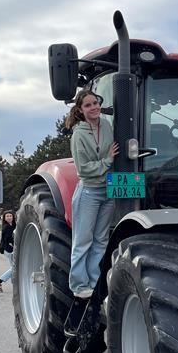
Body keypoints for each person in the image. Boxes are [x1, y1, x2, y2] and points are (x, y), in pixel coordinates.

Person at [66, 89, 119, 304]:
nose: (94, 107)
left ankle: (94, 281)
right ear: (81, 110)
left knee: (101, 240)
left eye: (95, 103)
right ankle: (79, 285)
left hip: (108, 189)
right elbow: (84, 169)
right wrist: (107, 161)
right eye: (88, 105)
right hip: (89, 191)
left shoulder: (106, 125)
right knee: (83, 241)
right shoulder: (79, 134)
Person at [0, 210, 16, 293]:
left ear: (13, 217)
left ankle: (14, 284)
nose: (9, 217)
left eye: (10, 216)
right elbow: (8, 239)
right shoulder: (6, 227)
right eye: (7, 216)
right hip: (8, 249)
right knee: (14, 268)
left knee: (15, 268)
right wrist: (13, 245)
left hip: (12, 249)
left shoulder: (13, 225)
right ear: (4, 218)